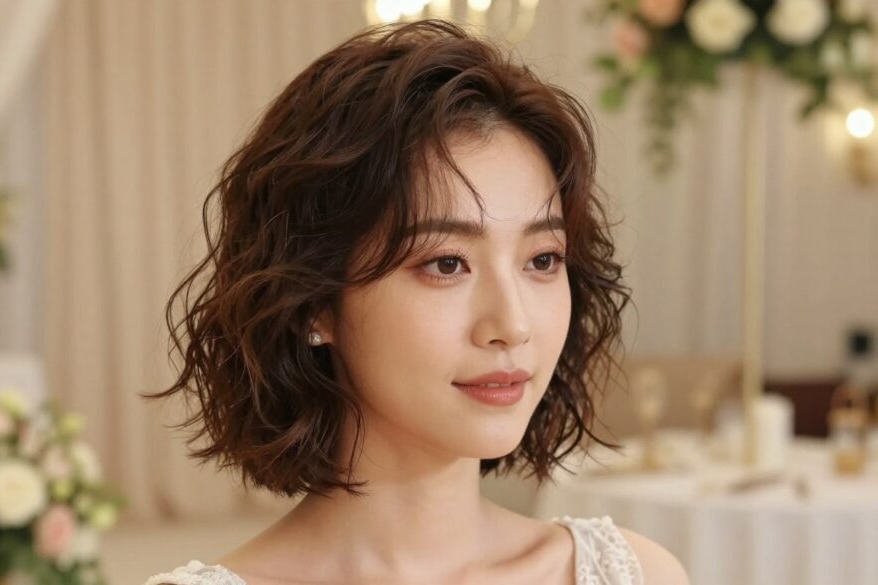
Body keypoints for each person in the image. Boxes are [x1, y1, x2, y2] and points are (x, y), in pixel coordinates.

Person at [142, 19, 690, 585]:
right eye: (446, 263)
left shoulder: (632, 573)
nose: (513, 324)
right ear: (313, 303)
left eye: (543, 260)